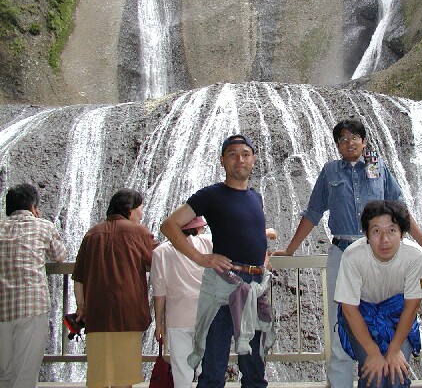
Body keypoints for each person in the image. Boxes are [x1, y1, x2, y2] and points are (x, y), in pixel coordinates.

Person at [272, 118, 422, 387]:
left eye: (355, 137)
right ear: (337, 145)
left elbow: (399, 207)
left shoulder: (379, 167)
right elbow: (313, 212)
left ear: (364, 141)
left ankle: (387, 369)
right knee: (339, 322)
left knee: (386, 315)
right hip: (343, 253)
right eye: (343, 139)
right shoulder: (330, 171)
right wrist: (289, 249)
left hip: (379, 252)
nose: (349, 142)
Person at [160, 134, 274, 388]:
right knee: (214, 363)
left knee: (254, 367)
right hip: (224, 283)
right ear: (222, 160)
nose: (239, 159)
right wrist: (200, 258)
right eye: (233, 154)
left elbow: (255, 233)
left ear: (254, 159)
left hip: (255, 285)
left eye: (245, 154)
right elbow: (169, 225)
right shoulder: (211, 195)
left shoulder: (255, 197)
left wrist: (264, 259)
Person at [335, 200, 422, 388]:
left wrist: (394, 350)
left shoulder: (415, 257)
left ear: (402, 233)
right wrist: (373, 353)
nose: (384, 239)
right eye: (376, 231)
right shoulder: (353, 256)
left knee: (397, 375)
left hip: (399, 316)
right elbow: (349, 309)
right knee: (375, 376)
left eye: (392, 230)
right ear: (366, 235)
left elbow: (411, 308)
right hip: (362, 315)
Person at [72, 188, 156, 388]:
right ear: (130, 209)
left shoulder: (92, 233)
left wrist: (81, 306)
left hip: (97, 313)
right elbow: (160, 261)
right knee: (124, 376)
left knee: (99, 375)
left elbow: (78, 277)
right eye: (140, 208)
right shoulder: (139, 232)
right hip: (127, 312)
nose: (142, 213)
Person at [0, 183, 67, 388]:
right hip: (32, 306)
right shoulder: (44, 226)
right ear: (33, 207)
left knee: (3, 372)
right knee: (26, 373)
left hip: (2, 307)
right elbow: (60, 256)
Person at [151, 216, 213, 388]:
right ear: (197, 229)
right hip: (207, 315)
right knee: (207, 368)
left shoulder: (160, 252)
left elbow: (159, 293)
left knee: (181, 369)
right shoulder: (208, 243)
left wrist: (159, 323)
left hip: (178, 318)